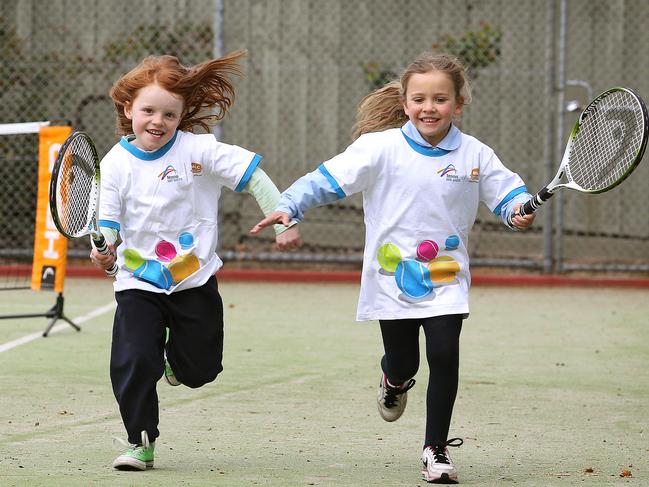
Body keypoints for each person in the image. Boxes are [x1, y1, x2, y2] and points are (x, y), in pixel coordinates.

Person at [250, 52, 535, 484]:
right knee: (406, 362)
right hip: (391, 283)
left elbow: (508, 194)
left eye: (440, 99)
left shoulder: (476, 154)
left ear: (458, 104)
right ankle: (394, 379)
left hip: (446, 278)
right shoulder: (379, 148)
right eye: (419, 98)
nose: (429, 107)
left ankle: (435, 450)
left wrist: (517, 210)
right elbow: (326, 180)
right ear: (405, 103)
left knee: (444, 353)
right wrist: (287, 205)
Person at [90, 51, 301, 471]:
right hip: (138, 281)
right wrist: (105, 246)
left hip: (194, 279)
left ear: (182, 114)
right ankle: (140, 441)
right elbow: (108, 219)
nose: (157, 121)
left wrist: (284, 220)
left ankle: (177, 365)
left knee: (202, 369)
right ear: (128, 108)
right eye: (148, 110)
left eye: (169, 114)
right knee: (133, 361)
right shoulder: (114, 164)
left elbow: (252, 176)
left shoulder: (198, 150)